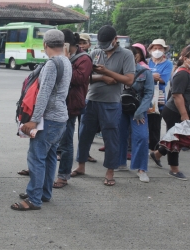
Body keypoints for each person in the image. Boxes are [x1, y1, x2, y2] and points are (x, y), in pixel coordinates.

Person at [11, 29, 72, 211]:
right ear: (62, 44)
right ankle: (44, 193)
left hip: (50, 118)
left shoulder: (52, 64)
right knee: (50, 156)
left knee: (36, 157)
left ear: (45, 45)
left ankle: (34, 198)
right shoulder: (66, 61)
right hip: (61, 118)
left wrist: (34, 120)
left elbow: (44, 94)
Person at [72, 25, 136, 187]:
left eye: (106, 43)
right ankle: (81, 166)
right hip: (91, 100)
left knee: (111, 138)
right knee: (84, 134)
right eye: (101, 43)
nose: (103, 46)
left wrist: (107, 72)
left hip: (111, 103)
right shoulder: (95, 53)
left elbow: (129, 80)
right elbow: (85, 77)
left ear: (115, 40)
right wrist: (103, 78)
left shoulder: (126, 55)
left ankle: (110, 171)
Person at [150, 43, 190, 180]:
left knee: (178, 138)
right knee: (175, 140)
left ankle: (156, 154)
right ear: (186, 58)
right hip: (175, 112)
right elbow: (177, 95)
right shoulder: (181, 74)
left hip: (186, 111)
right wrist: (184, 116)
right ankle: (174, 169)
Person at [53, 29, 93, 189]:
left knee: (66, 142)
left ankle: (63, 175)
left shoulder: (84, 59)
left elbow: (79, 78)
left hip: (71, 105)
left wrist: (64, 60)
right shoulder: (62, 56)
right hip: (58, 103)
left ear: (67, 45)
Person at [117, 45, 154, 183]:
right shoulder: (117, 71)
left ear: (136, 57)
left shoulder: (145, 72)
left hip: (138, 110)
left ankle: (141, 168)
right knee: (120, 135)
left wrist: (140, 112)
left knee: (142, 137)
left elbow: (149, 93)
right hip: (120, 108)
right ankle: (120, 162)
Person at [147, 39, 174, 151]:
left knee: (154, 125)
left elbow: (164, 79)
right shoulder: (147, 62)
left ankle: (154, 149)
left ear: (164, 50)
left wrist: (148, 75)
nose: (157, 50)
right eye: (155, 48)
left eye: (160, 48)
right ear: (151, 50)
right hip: (145, 96)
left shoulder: (168, 64)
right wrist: (153, 76)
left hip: (158, 99)